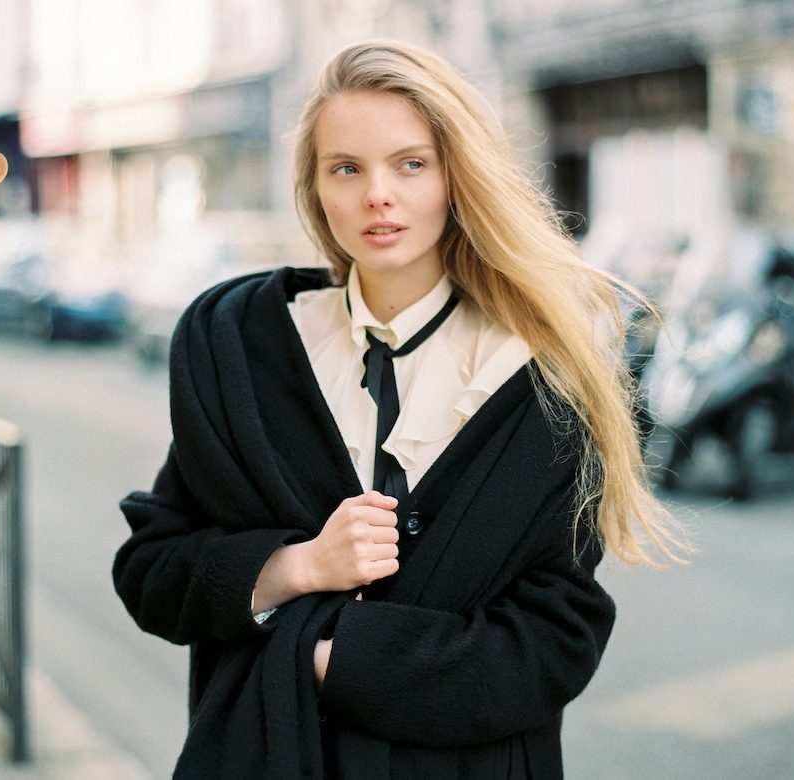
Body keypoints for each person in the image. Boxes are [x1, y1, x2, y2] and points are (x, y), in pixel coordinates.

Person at [113, 39, 684, 779]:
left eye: (410, 163)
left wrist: (326, 660)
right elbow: (152, 570)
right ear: (315, 188)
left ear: (455, 177)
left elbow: (553, 641)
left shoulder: (546, 377)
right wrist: (296, 567)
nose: (377, 194)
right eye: (345, 168)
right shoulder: (242, 347)